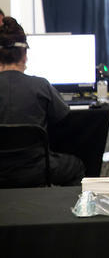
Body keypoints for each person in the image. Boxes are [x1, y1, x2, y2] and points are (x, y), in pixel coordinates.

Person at [0, 17, 85, 187]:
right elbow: (63, 117)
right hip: (36, 170)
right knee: (76, 166)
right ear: (25, 56)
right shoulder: (41, 86)